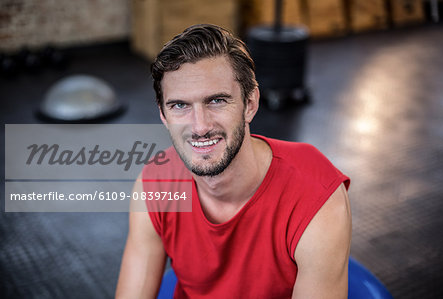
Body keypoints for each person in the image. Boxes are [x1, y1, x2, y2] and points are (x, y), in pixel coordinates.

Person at [116, 24, 351, 299]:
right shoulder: (155, 185)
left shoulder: (315, 194)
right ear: (164, 116)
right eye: (180, 105)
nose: (200, 126)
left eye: (216, 100)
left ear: (250, 104)